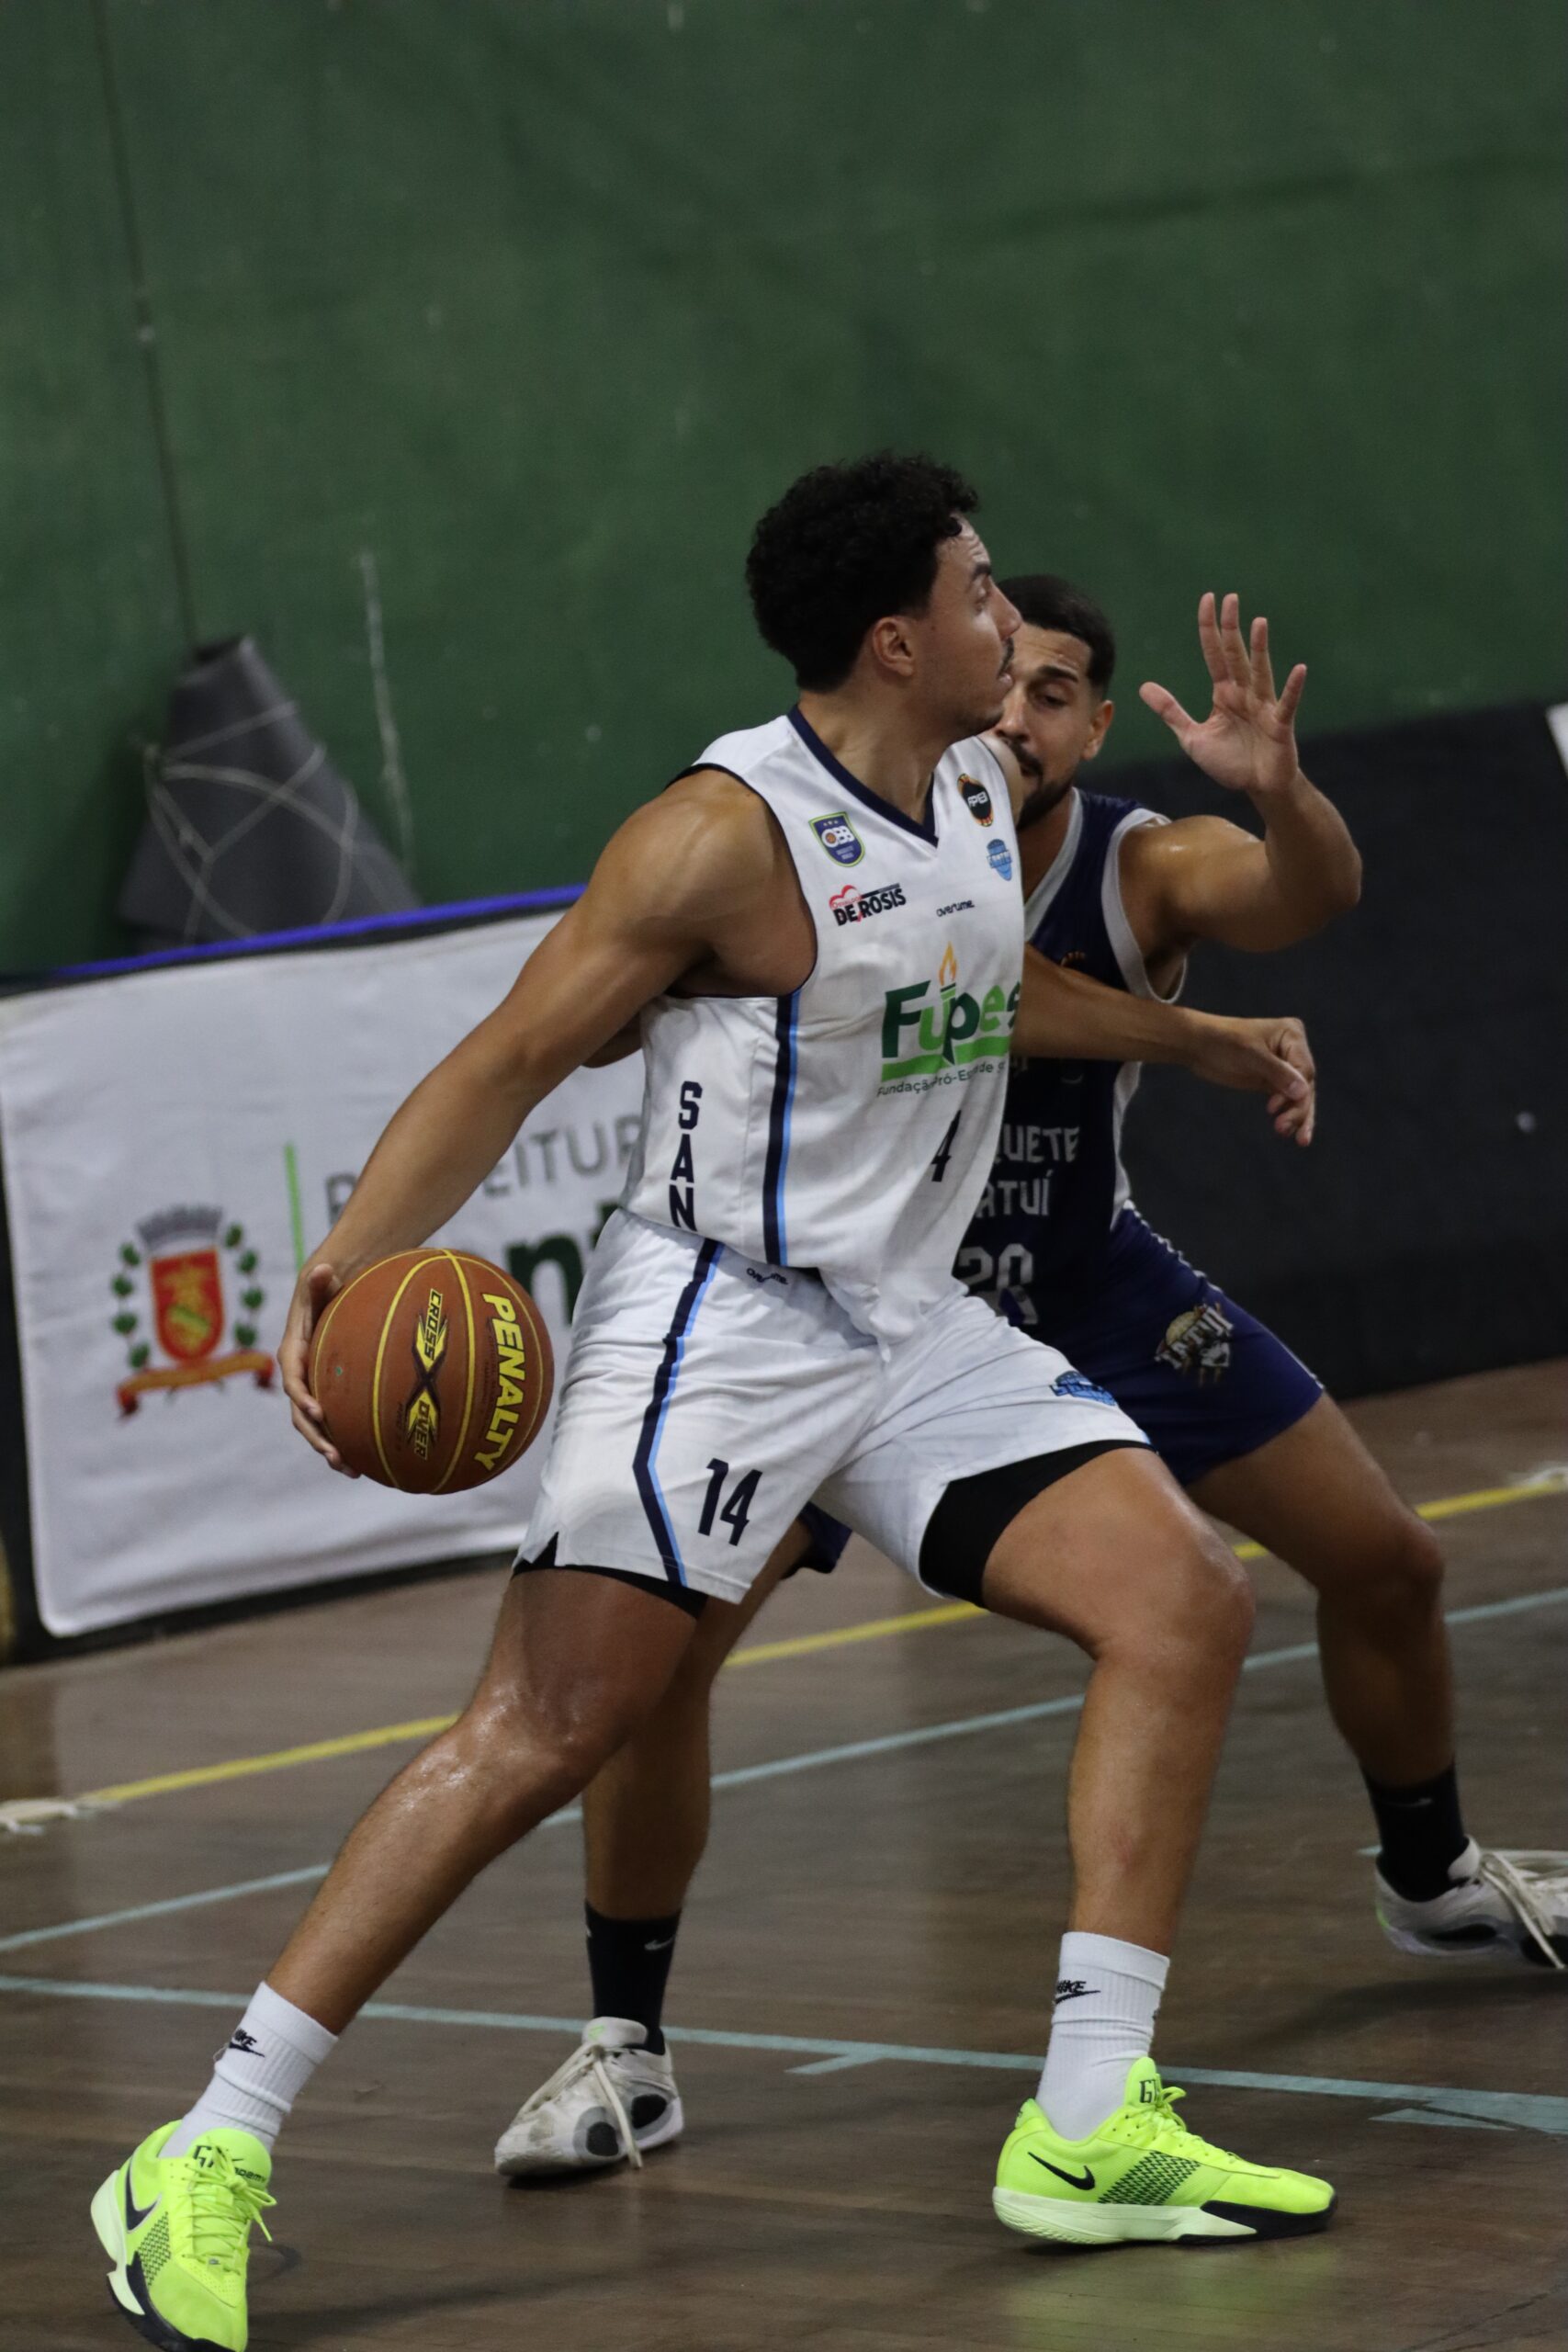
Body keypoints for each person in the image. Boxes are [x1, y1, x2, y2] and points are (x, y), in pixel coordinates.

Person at [92, 459, 1335, 2352]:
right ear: (895, 636)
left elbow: (968, 1000)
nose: (1012, 625)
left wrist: (1184, 1031)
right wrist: (339, 1270)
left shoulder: (982, 787)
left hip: (905, 1322)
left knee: (1185, 1597)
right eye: (980, 591)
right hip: (719, 1323)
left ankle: (1087, 2117)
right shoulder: (716, 833)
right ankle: (204, 2143)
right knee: (543, 1724)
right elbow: (508, 1053)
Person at [493, 571, 1568, 2193]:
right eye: (1012, 682)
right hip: (845, 1322)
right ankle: (625, 2040)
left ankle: (1431, 1880)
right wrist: (1195, 1043)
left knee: (1388, 1559)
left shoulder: (1130, 865)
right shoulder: (829, 851)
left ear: (1087, 719)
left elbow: (1298, 895)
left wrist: (1282, 795)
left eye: (1059, 692)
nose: (1022, 714)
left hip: (1085, 1289)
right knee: (662, 1670)